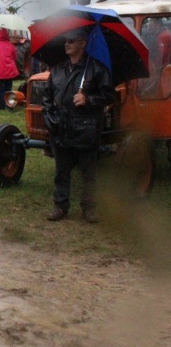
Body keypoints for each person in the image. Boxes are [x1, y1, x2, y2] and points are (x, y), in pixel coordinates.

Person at [42, 29, 115, 223]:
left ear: (83, 44)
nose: (67, 44)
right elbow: (47, 97)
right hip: (61, 128)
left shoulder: (97, 69)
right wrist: (50, 118)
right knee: (61, 171)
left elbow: (109, 96)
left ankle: (89, 208)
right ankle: (60, 206)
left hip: (87, 129)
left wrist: (88, 99)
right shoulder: (57, 69)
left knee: (88, 173)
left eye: (72, 41)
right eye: (65, 41)